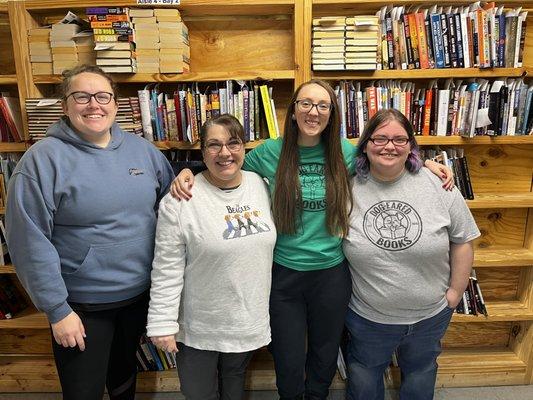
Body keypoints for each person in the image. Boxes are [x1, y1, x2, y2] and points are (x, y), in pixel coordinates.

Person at [170, 80, 453, 400]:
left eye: (322, 105)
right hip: (283, 274)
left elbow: (391, 157)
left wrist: (427, 164)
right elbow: (225, 167)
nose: (313, 112)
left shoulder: (346, 152)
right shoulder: (271, 152)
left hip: (331, 272)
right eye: (305, 104)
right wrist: (188, 171)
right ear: (293, 112)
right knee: (288, 357)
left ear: (332, 114)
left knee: (324, 352)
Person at [5, 65, 174, 400]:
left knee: (125, 380)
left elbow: (171, 204)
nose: (93, 105)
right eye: (81, 96)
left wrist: (186, 179)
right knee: (84, 391)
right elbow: (28, 242)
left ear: (115, 103)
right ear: (65, 106)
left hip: (137, 296)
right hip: (81, 306)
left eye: (102, 96)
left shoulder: (142, 150)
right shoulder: (42, 161)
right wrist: (57, 310)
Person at [342, 109, 480, 400]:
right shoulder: (346, 187)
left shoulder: (439, 185)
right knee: (364, 375)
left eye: (399, 139)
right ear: (365, 144)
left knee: (420, 373)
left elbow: (463, 239)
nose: (389, 146)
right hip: (368, 318)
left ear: (410, 146)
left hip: (430, 315)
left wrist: (455, 292)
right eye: (380, 138)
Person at [146, 114, 277, 400]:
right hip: (199, 324)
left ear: (244, 147)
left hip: (245, 319)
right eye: (214, 145)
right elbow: (166, 267)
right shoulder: (180, 199)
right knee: (199, 393)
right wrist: (161, 323)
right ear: (202, 151)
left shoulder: (260, 185)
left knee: (234, 385)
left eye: (233, 143)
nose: (225, 153)